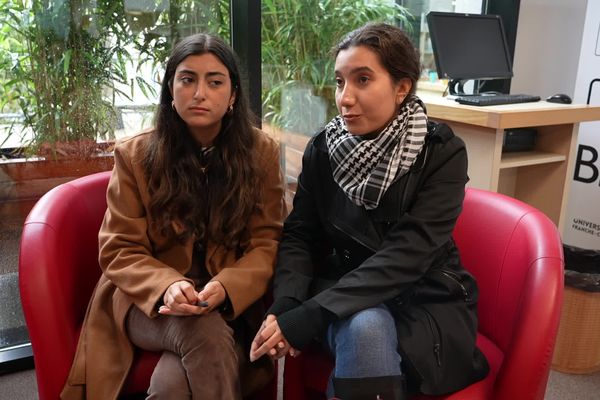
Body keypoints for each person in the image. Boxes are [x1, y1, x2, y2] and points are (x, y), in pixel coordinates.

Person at [250, 22, 489, 400]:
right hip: (341, 289)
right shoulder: (323, 149)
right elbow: (300, 235)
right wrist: (287, 303)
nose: (344, 98)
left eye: (362, 80)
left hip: (422, 297)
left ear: (402, 87)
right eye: (340, 82)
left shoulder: (441, 151)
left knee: (367, 329)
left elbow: (407, 255)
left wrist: (310, 315)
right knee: (367, 326)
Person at [61, 33, 286, 400]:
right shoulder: (135, 155)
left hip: (225, 297)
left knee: (171, 385)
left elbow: (267, 244)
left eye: (214, 82)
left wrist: (227, 286)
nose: (199, 93)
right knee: (203, 331)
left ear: (232, 97)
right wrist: (167, 285)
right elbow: (119, 248)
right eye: (187, 79)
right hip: (146, 300)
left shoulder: (260, 153)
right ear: (170, 89)